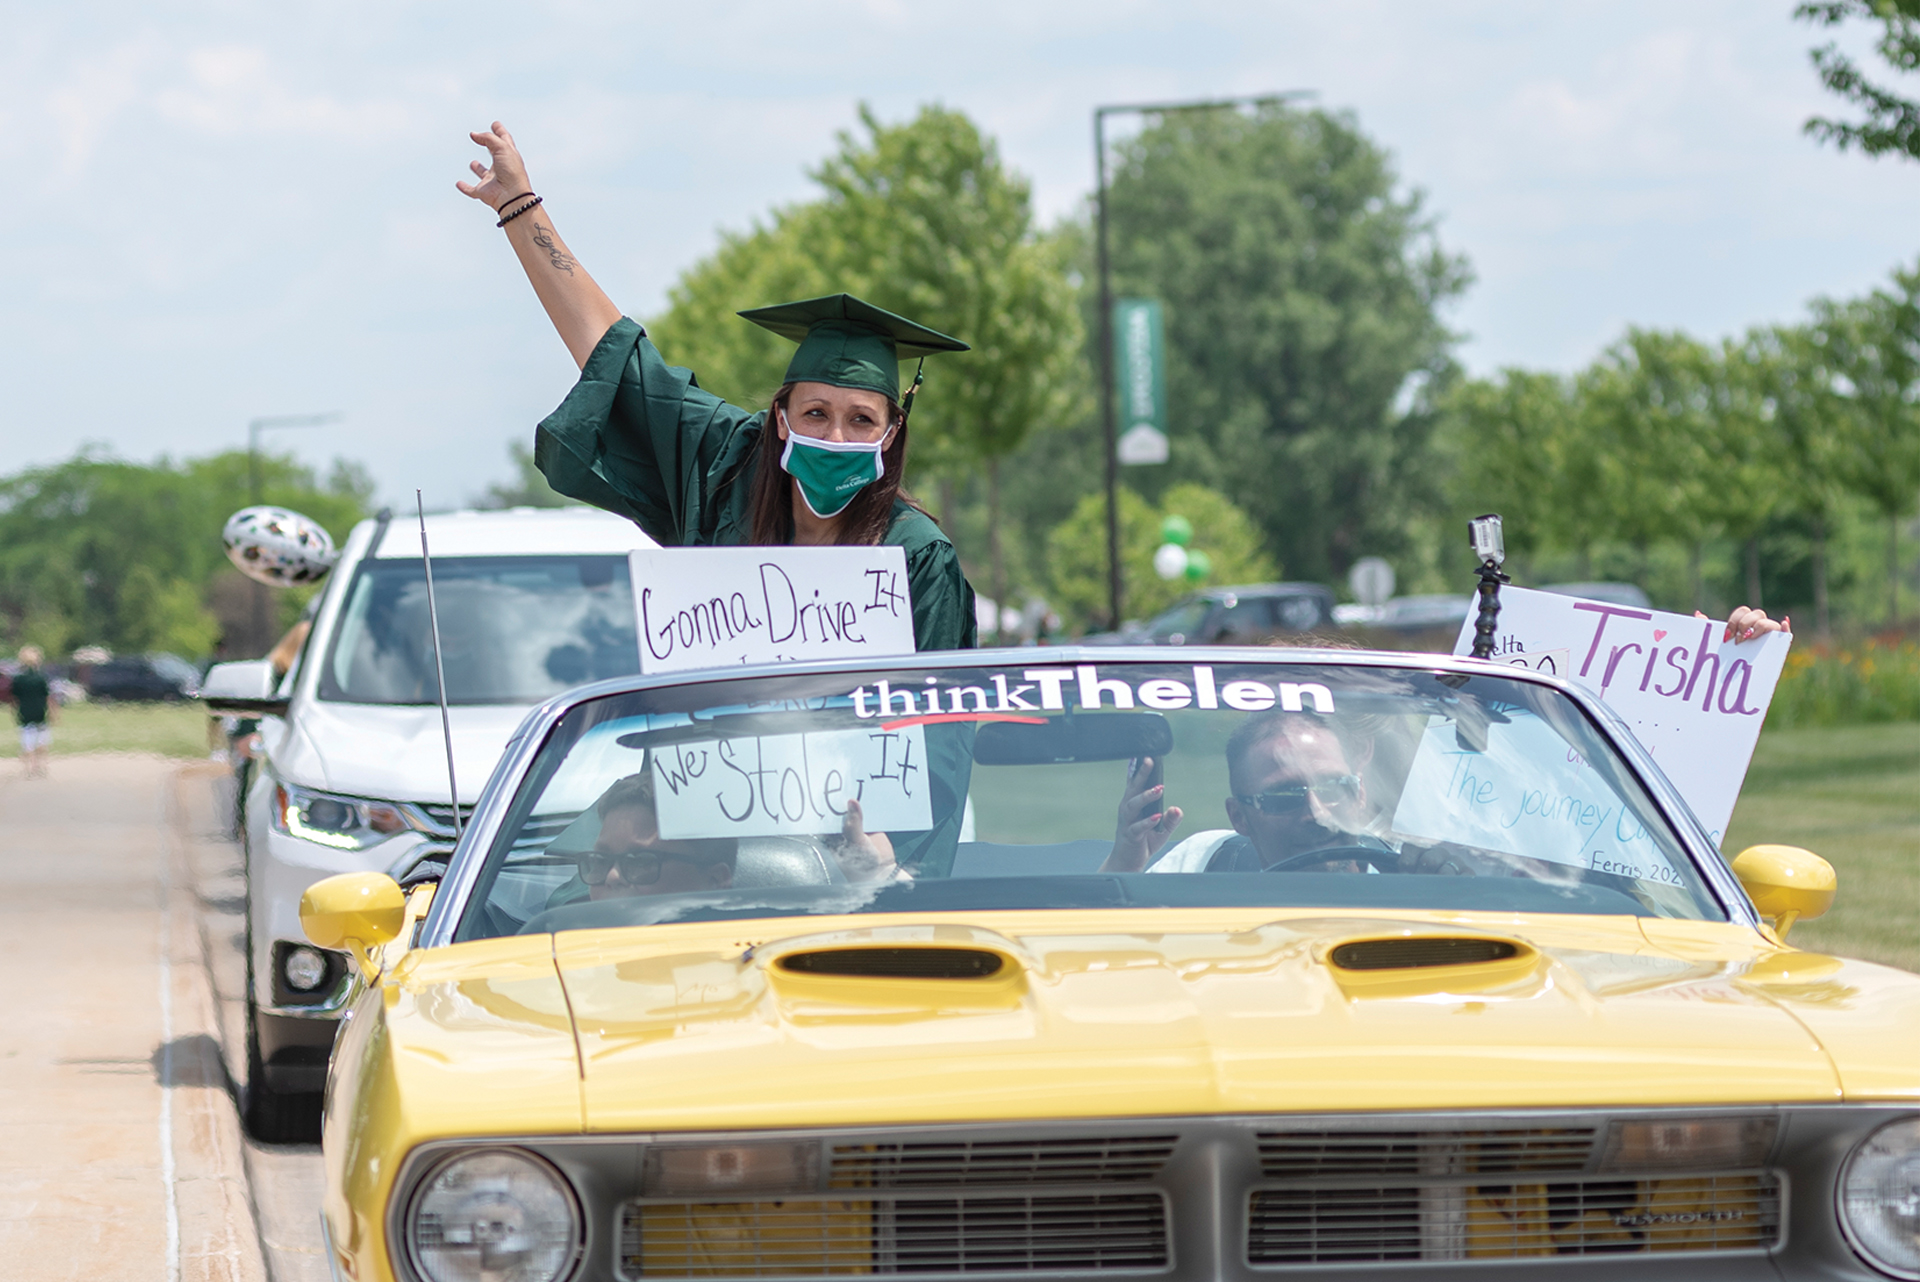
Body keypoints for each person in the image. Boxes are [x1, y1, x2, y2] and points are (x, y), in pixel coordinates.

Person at [456, 122, 978, 652]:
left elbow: (939, 723)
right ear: (781, 419)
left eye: (862, 419)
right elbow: (615, 357)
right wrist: (520, 207)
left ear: (891, 434)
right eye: (815, 413)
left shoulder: (917, 557)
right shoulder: (727, 467)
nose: (836, 439)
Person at [1106, 605, 1793, 874]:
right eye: (1283, 800)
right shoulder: (1207, 863)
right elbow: (1105, 951)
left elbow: (1621, 880)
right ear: (1240, 814)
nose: (1316, 811)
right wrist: (1125, 862)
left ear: (1364, 765)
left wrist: (1722, 659)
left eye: (1334, 787)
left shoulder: (1462, 855)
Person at [10, 647, 55, 780]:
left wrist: (14, 712)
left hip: (24, 712)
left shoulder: (18, 679)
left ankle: (29, 767)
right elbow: (48, 697)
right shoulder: (41, 678)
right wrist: (53, 712)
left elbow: (14, 699)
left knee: (27, 740)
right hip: (40, 711)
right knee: (42, 739)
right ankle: (41, 766)